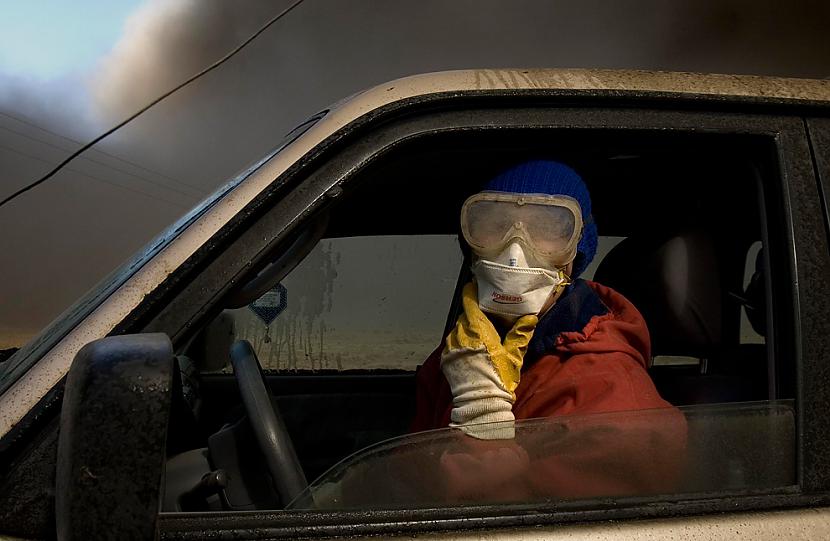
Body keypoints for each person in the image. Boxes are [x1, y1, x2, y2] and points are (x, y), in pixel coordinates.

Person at [409, 159, 688, 503]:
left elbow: (516, 521)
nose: (515, 254)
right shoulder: (461, 352)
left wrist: (482, 414)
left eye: (546, 230)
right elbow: (413, 478)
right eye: (494, 226)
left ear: (573, 256)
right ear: (471, 247)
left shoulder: (615, 396)